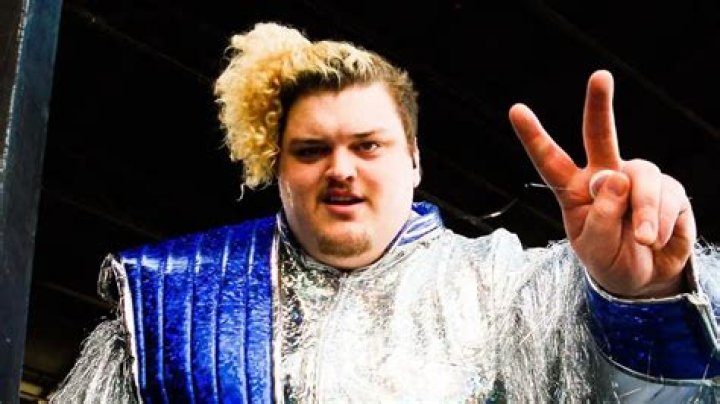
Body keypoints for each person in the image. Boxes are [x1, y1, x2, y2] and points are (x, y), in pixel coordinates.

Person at [50, 22, 720, 403]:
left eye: (368, 145)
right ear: (277, 169)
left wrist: (644, 299)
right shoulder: (171, 302)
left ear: (415, 161)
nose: (341, 169)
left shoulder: (503, 291)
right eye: (311, 150)